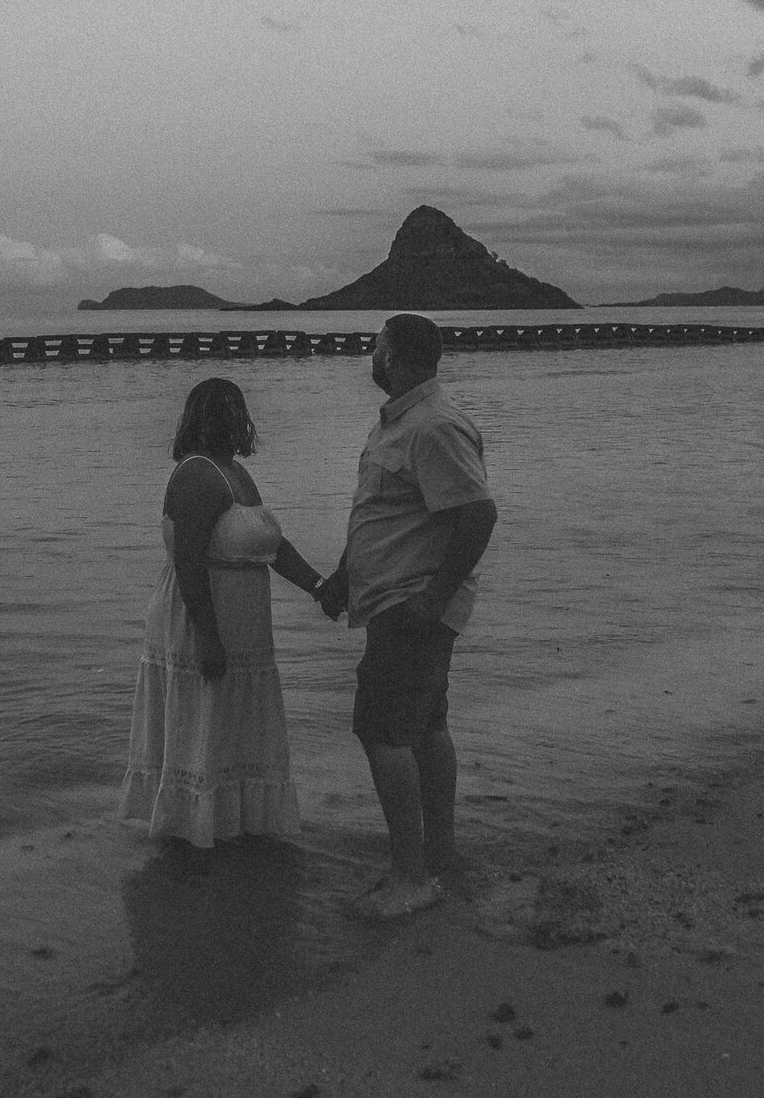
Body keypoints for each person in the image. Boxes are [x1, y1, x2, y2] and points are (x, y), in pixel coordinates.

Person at [318, 314, 497, 919]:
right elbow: (382, 512)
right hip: (394, 597)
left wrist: (432, 599)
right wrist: (344, 575)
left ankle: (409, 877)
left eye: (374, 347)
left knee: (382, 731)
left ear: (393, 355)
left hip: (411, 603)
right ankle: (438, 857)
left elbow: (477, 515)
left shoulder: (432, 426)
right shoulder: (402, 423)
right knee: (424, 728)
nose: (370, 357)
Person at [119, 377, 327, 848]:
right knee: (204, 721)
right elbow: (190, 563)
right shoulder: (195, 474)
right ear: (201, 421)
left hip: (243, 625)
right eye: (222, 413)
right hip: (201, 619)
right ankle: (189, 831)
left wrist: (319, 587)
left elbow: (271, 544)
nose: (232, 422)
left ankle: (231, 822)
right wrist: (209, 638)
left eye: (236, 411)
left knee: (232, 724)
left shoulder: (236, 474)